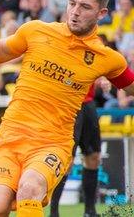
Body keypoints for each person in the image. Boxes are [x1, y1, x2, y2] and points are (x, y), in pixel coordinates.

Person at [0, 0, 134, 217]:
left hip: (52, 143)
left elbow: (130, 86)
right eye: (72, 3)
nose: (75, 12)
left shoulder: (108, 58)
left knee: (29, 189)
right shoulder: (35, 30)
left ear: (101, 13)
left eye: (85, 6)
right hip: (10, 136)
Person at [50, 85, 102, 217]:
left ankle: (90, 211)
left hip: (88, 103)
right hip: (67, 104)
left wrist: (103, 78)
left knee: (93, 157)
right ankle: (54, 212)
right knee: (66, 160)